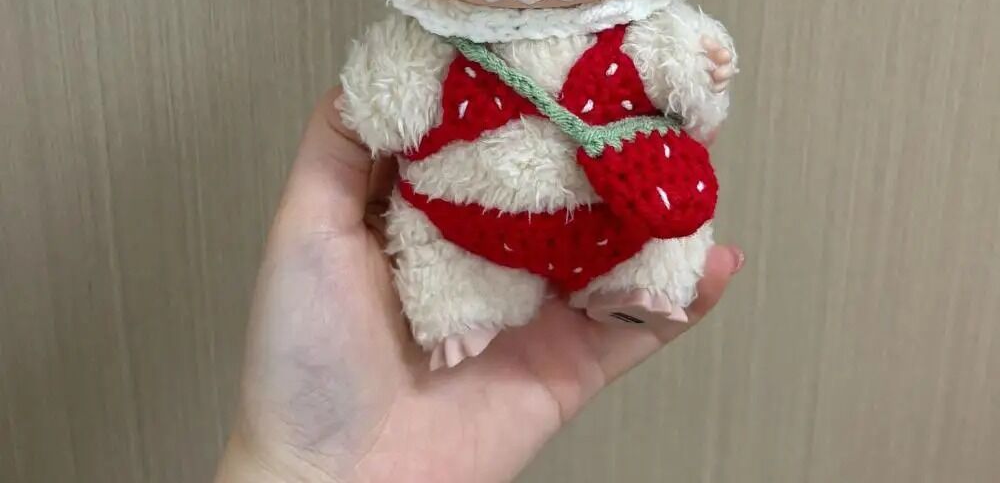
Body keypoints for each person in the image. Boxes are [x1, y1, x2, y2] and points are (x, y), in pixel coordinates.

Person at [215, 89, 743, 483]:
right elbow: (386, 97)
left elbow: (691, 81)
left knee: (655, 218)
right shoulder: (446, 50)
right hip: (468, 227)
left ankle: (633, 284)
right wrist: (304, 467)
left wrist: (701, 68)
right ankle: (462, 313)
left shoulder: (629, 38)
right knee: (439, 244)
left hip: (608, 211)